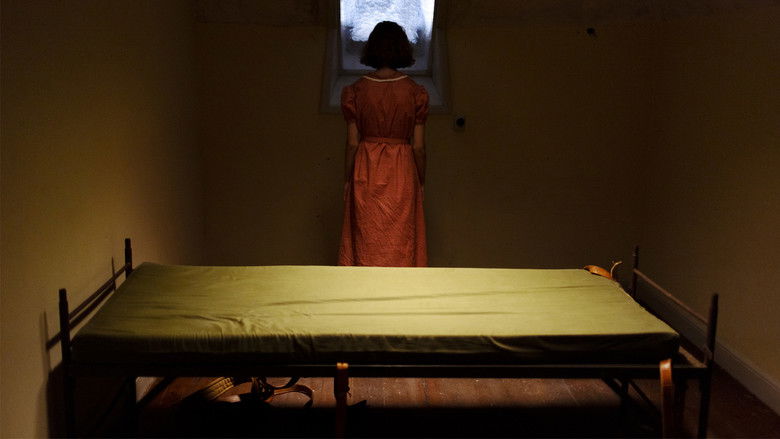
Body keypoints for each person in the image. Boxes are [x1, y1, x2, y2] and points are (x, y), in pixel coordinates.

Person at [338, 21, 429, 267]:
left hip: (366, 168)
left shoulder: (356, 91)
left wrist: (347, 179)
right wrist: (421, 180)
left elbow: (352, 144)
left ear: (372, 49)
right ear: (402, 49)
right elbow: (418, 147)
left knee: (366, 237)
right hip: (402, 170)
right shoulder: (415, 92)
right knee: (401, 241)